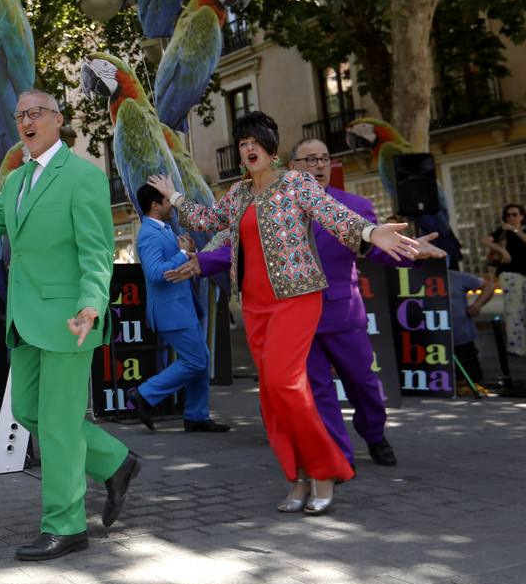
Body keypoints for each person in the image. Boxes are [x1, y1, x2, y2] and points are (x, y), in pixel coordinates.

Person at [149, 112, 419, 515]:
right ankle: (297, 478)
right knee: (272, 397)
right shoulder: (238, 194)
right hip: (255, 307)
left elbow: (334, 215)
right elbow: (207, 220)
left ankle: (325, 471)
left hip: (296, 299)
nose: (248, 148)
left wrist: (369, 233)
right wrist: (176, 197)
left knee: (287, 387)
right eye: (242, 143)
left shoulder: (296, 184)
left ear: (271, 149)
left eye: (255, 141)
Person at [0, 89, 140, 562]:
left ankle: (66, 525)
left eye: (35, 113)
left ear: (58, 119)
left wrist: (91, 304)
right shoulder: (17, 180)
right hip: (24, 318)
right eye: (19, 115)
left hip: (69, 319)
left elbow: (98, 250)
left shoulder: (83, 176)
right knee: (27, 411)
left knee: (57, 426)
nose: (25, 121)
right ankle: (115, 461)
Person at [182, 138, 444, 467]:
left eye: (324, 158)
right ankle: (338, 458)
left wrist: (411, 251)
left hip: (341, 313)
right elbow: (244, 246)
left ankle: (374, 434)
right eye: (309, 160)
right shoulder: (274, 202)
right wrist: (202, 262)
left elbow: (375, 247)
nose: (319, 165)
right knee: (318, 392)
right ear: (292, 168)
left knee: (363, 383)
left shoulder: (354, 205)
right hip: (294, 316)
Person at [128, 183, 230, 433]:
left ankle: (196, 415)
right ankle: (144, 393)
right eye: (167, 200)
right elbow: (154, 273)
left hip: (181, 308)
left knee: (201, 360)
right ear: (155, 205)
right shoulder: (149, 234)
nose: (172, 205)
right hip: (170, 311)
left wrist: (188, 251)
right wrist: (183, 253)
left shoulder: (162, 229)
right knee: (196, 360)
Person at [486, 203, 526, 357]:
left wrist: (516, 230)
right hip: (509, 272)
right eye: (508, 215)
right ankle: (516, 346)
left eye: (515, 214)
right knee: (513, 309)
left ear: (522, 216)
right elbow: (485, 240)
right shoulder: (501, 232)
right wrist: (502, 250)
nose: (511, 217)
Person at [448, 268, 495, 393]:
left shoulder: (456, 276)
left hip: (461, 338)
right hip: (427, 339)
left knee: (472, 378)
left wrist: (477, 306)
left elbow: (489, 286)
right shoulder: (414, 277)